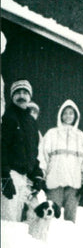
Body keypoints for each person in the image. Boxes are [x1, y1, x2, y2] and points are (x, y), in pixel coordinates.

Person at [39, 100, 83, 223]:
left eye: (71, 113)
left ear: (76, 116)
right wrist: (41, 176)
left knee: (70, 221)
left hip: (74, 185)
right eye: (65, 113)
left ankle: (69, 241)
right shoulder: (51, 134)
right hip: (54, 183)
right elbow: (42, 157)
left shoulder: (82, 137)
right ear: (60, 115)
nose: (68, 116)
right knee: (51, 218)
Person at [1, 80, 46, 222]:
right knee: (8, 221)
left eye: (25, 93)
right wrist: (4, 177)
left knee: (21, 222)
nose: (21, 96)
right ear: (12, 96)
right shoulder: (6, 118)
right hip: (10, 175)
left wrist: (37, 176)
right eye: (18, 92)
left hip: (25, 178)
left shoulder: (32, 123)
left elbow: (33, 153)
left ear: (30, 96)